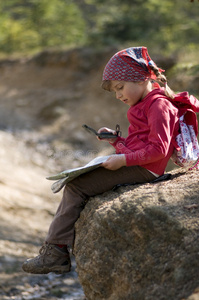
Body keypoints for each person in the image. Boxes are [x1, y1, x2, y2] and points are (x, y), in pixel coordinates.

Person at [22, 46, 179, 274]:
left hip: (146, 169)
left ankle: (55, 253)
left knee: (77, 186)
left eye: (120, 87)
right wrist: (116, 141)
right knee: (79, 181)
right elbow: (142, 144)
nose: (118, 95)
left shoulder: (159, 106)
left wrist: (123, 160)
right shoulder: (146, 104)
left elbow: (158, 150)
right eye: (115, 91)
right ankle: (57, 248)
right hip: (140, 163)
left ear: (141, 78)